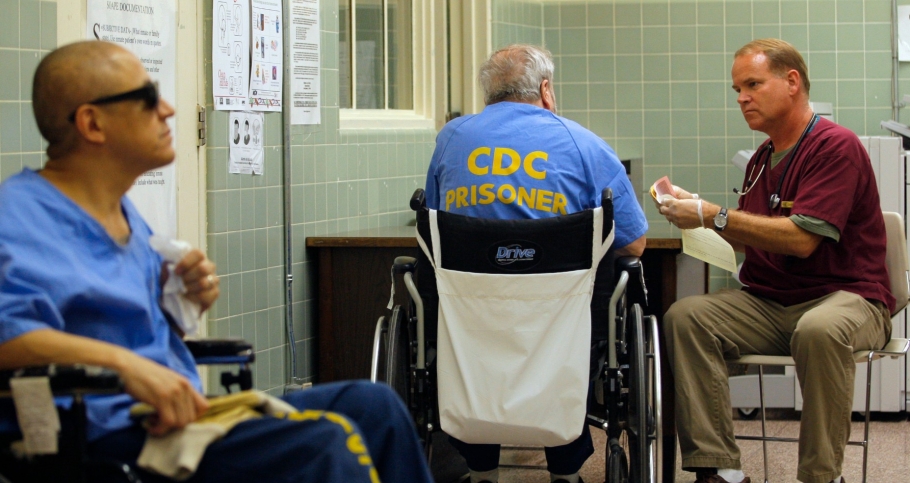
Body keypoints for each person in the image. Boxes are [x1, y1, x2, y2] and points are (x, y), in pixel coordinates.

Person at [0, 40, 433, 483]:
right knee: (324, 443)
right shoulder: (19, 218)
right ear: (92, 122)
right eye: (147, 99)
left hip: (182, 417)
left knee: (375, 408)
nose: (168, 109)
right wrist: (126, 366)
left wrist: (183, 296)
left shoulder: (121, 213)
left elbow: (127, 321)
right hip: (104, 439)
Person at [656, 38, 893, 483]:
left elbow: (802, 241)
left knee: (820, 330)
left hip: (848, 297)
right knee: (686, 317)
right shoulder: (762, 159)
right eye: (737, 89)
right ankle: (719, 470)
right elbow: (758, 237)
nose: (742, 98)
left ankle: (820, 476)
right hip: (772, 302)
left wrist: (713, 214)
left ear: (791, 82)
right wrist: (701, 214)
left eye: (752, 84)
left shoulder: (834, 146)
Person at [425, 44, 648, 483]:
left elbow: (436, 226)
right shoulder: (584, 144)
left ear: (488, 93)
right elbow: (635, 243)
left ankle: (480, 469)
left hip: (470, 317)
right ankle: (565, 472)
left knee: (470, 331)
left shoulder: (451, 140)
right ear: (546, 90)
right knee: (576, 325)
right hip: (561, 322)